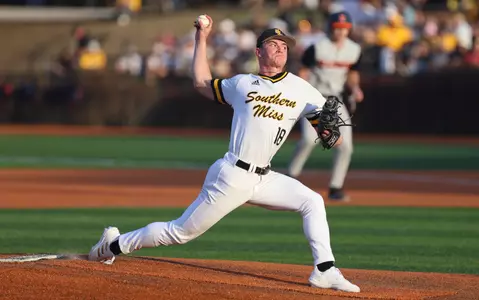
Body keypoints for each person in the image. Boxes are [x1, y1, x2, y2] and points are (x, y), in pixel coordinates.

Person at [88, 15, 361, 293]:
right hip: (232, 175)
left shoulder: (302, 89)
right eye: (273, 43)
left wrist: (328, 133)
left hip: (264, 178)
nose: (281, 48)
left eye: (285, 45)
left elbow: (327, 130)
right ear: (258, 52)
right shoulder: (242, 83)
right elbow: (201, 82)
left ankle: (325, 270)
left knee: (312, 201)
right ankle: (112, 244)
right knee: (180, 232)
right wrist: (201, 38)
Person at [287, 11, 364, 201]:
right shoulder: (317, 47)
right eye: (338, 28)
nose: (341, 32)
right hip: (314, 96)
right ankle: (290, 176)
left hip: (335, 99)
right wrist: (299, 93)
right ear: (331, 27)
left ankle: (335, 187)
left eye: (344, 29)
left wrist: (355, 88)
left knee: (346, 146)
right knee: (308, 139)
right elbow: (303, 71)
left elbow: (353, 73)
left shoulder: (354, 49)